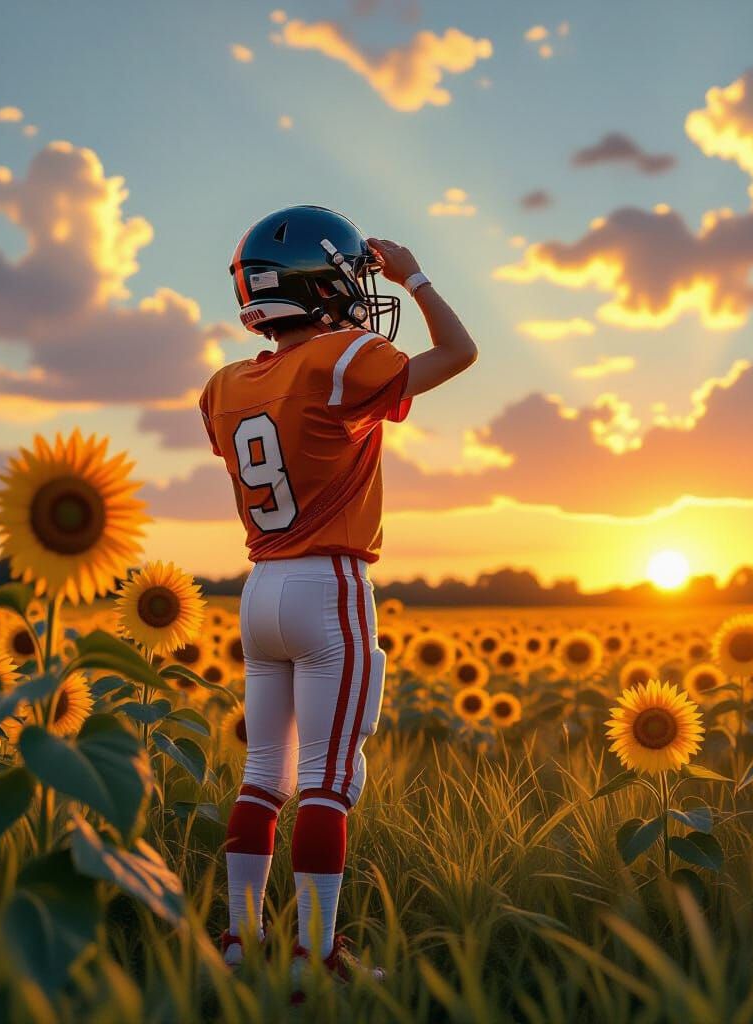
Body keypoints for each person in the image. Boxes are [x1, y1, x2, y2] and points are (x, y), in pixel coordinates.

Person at [198, 206, 477, 982]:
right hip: (330, 585)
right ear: (319, 287)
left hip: (259, 591)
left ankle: (237, 944)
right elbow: (459, 352)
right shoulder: (344, 358)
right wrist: (413, 276)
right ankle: (314, 959)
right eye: (347, 278)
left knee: (262, 775)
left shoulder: (222, 388)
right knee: (326, 778)